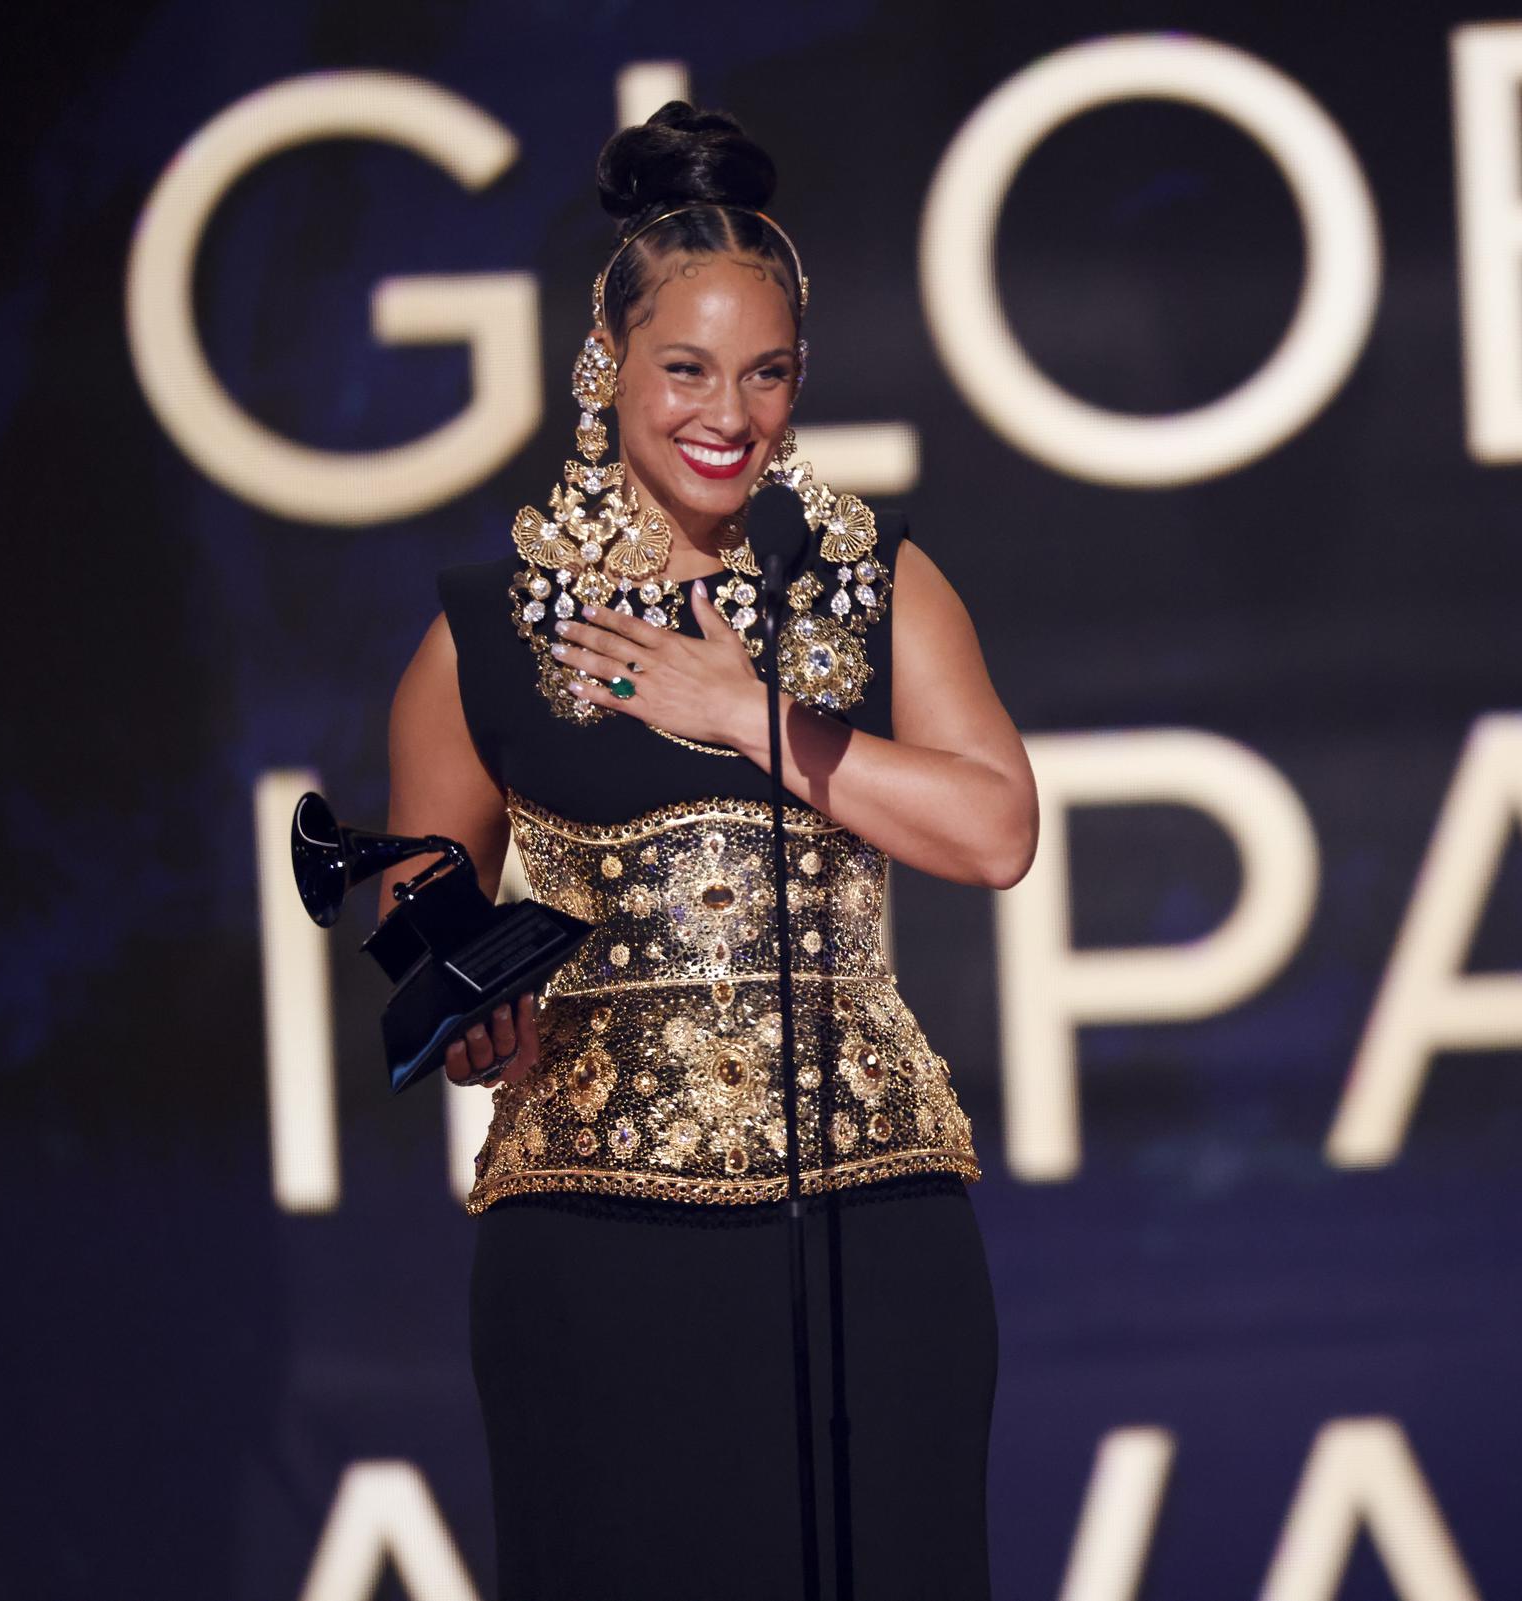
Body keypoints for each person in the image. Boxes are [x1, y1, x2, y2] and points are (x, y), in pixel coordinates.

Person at [378, 101, 1037, 1599]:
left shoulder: (872, 582)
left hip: (869, 1222)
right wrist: (467, 1008)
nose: (725, 414)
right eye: (685, 368)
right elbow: (429, 914)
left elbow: (996, 831)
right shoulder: (488, 630)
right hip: (595, 1245)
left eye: (765, 373)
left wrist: (751, 712)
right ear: (608, 366)